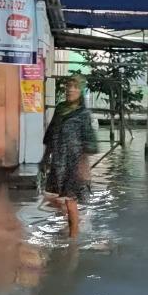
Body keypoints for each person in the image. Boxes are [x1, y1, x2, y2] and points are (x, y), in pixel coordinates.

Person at [41, 75, 99, 237]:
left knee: (70, 201)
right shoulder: (60, 109)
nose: (70, 89)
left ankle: (73, 241)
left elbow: (91, 144)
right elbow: (51, 134)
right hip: (58, 161)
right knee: (54, 197)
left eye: (75, 87)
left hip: (74, 163)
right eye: (68, 86)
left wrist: (83, 167)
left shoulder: (83, 114)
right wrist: (45, 158)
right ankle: (72, 222)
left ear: (81, 91)